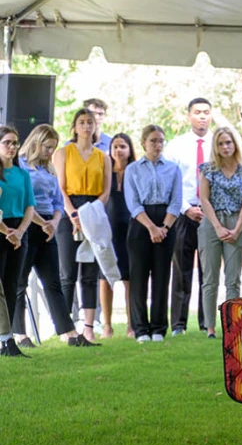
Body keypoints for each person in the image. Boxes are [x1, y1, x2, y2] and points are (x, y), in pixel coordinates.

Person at [14, 125, 87, 348]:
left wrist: (54, 222)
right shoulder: (21, 166)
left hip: (48, 227)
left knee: (53, 282)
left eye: (53, 148)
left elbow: (57, 201)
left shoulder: (49, 169)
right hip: (28, 224)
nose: (49, 152)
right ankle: (20, 335)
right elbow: (24, 199)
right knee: (20, 283)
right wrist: (40, 222)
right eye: (47, 147)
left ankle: (68, 332)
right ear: (36, 143)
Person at [53, 108, 112, 343]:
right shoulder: (63, 153)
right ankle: (67, 329)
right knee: (68, 271)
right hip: (70, 209)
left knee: (90, 272)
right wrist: (73, 214)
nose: (87, 126)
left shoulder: (103, 156)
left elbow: (106, 191)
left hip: (94, 209)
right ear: (75, 127)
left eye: (90, 122)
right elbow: (60, 187)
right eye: (82, 122)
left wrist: (91, 213)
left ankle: (88, 326)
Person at [124, 125, 181, 343]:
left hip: (166, 221)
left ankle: (158, 327)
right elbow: (133, 202)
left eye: (161, 141)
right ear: (143, 143)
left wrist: (164, 228)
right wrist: (151, 228)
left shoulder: (173, 168)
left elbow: (176, 202)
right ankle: (140, 328)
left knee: (161, 276)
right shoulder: (133, 169)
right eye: (153, 141)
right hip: (141, 223)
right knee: (138, 277)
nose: (157, 145)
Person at [198, 127, 242, 336]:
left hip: (236, 222)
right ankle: (210, 328)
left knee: (233, 279)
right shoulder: (208, 170)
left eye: (228, 143)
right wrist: (217, 226)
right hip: (211, 222)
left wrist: (237, 228)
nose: (225, 147)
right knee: (210, 277)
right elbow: (204, 199)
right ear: (216, 146)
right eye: (221, 143)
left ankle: (232, 326)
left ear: (235, 144)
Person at [165, 97, 213, 335]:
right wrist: (186, 208)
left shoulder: (219, 143)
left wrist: (209, 210)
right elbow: (171, 183)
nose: (202, 116)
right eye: (197, 112)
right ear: (189, 116)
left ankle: (207, 323)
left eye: (206, 112)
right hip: (184, 213)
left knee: (209, 270)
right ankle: (179, 324)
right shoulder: (176, 145)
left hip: (211, 214)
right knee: (181, 269)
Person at [0, 127, 37, 357]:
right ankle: (4, 337)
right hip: (3, 228)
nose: (12, 147)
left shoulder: (23, 175)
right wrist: (7, 231)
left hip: (17, 230)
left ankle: (7, 338)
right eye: (7, 143)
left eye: (15, 142)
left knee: (12, 284)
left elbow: (30, 206)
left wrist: (20, 232)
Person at [106, 133, 135, 338]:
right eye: (115, 146)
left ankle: (131, 326)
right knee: (105, 277)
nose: (118, 151)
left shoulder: (135, 172)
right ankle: (107, 326)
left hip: (131, 229)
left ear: (130, 149)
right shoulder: (104, 171)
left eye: (123, 146)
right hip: (107, 229)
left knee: (130, 278)